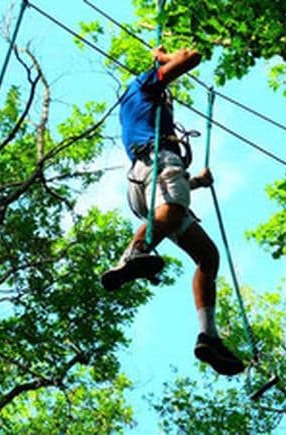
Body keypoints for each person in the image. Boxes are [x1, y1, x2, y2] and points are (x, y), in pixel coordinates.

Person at [101, 46, 245, 376]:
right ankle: (133, 254)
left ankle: (208, 336)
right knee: (175, 209)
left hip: (143, 180)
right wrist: (163, 57)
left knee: (208, 256)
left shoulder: (138, 110)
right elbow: (192, 56)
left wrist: (194, 182)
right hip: (158, 163)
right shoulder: (144, 85)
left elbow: (164, 191)